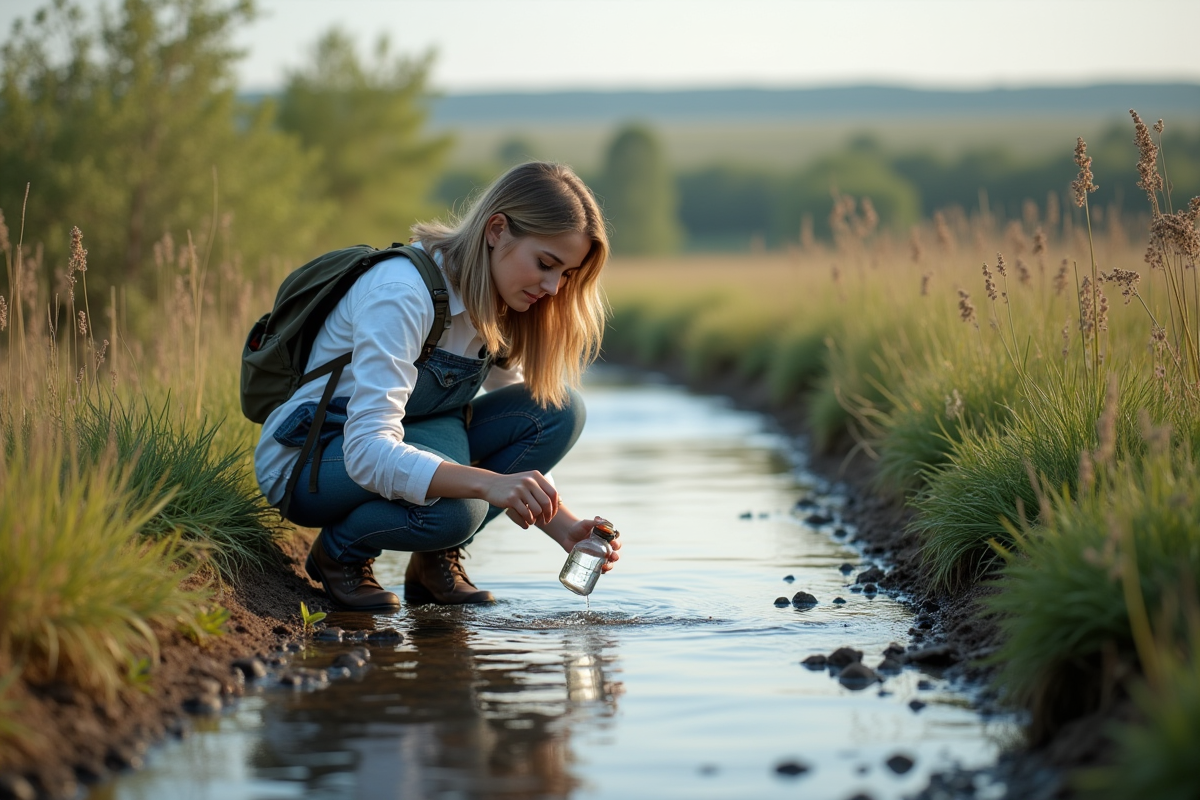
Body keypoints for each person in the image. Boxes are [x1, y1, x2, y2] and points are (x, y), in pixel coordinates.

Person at [253, 162, 621, 611]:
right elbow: (367, 451)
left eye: (566, 274)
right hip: (313, 461)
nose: (553, 287)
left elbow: (521, 439)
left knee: (559, 413)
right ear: (497, 230)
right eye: (546, 264)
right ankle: (341, 553)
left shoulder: (501, 299)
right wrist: (484, 484)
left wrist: (564, 526)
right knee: (461, 508)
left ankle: (434, 561)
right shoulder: (402, 293)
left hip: (404, 441)